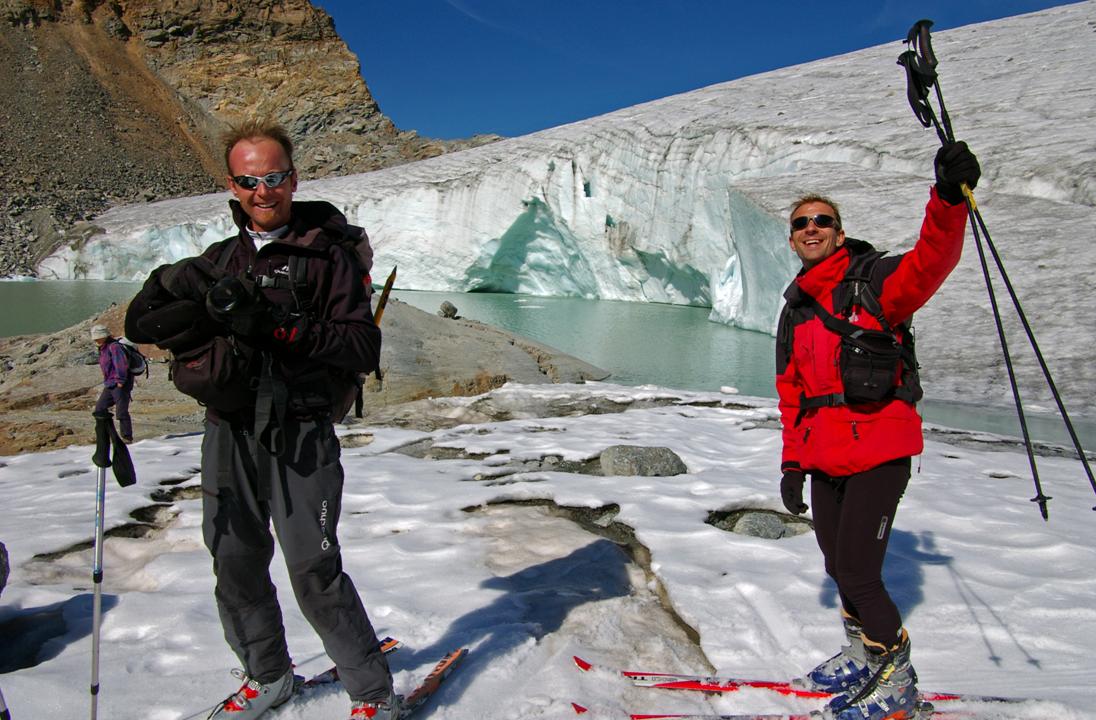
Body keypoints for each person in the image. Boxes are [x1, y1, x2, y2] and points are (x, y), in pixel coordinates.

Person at [124, 120, 396, 720]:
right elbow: (150, 324)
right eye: (249, 180)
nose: (263, 191)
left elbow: (361, 349)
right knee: (235, 560)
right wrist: (163, 293)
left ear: (292, 179)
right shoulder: (220, 260)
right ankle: (267, 674)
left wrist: (276, 325)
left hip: (301, 434)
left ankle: (373, 694)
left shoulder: (328, 258)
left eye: (273, 177)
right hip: (228, 432)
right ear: (232, 184)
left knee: (312, 569)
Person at [774, 142, 981, 720]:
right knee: (838, 566)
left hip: (879, 449)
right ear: (791, 239)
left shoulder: (874, 282)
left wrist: (946, 200)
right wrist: (793, 463)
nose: (811, 229)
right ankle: (863, 655)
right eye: (801, 223)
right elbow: (792, 394)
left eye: (823, 221)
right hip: (823, 456)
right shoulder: (795, 309)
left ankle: (898, 686)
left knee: (861, 574)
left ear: (839, 233)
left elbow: (932, 260)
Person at [91, 324, 134, 443]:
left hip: (119, 384)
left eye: (98, 337)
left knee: (121, 411)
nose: (96, 340)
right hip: (110, 383)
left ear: (104, 336)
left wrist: (120, 381)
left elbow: (121, 364)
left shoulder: (114, 347)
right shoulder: (103, 347)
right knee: (99, 409)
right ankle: (104, 434)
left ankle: (127, 437)